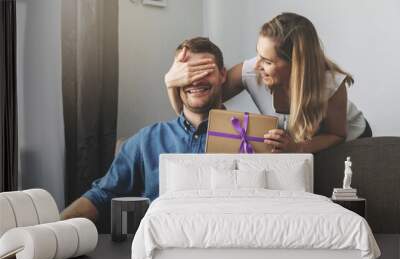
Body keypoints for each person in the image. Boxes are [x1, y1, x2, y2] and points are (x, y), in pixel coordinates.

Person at [61, 37, 227, 221]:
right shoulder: (146, 141)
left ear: (223, 74)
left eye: (204, 70)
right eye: (185, 72)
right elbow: (101, 197)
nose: (194, 79)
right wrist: (51, 228)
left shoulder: (250, 140)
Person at [165, 12, 372, 154]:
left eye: (268, 61)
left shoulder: (331, 85)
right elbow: (196, 110)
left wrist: (297, 148)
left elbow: (337, 134)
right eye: (258, 55)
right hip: (295, 144)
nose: (257, 66)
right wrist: (170, 82)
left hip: (346, 140)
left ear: (295, 66)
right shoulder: (253, 70)